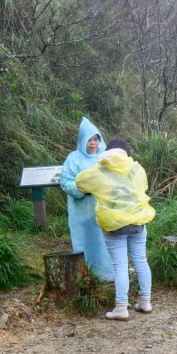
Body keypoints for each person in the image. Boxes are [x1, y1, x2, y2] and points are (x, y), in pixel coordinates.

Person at [75, 137, 155, 320]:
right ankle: (145, 302)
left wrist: (99, 166)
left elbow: (80, 183)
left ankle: (121, 307)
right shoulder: (137, 168)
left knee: (120, 266)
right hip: (138, 222)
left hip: (114, 225)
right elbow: (144, 187)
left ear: (107, 153)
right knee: (141, 261)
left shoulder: (102, 169)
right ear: (128, 154)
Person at [59, 117, 114, 281]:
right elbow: (65, 181)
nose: (93, 143)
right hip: (81, 210)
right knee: (84, 242)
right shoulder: (73, 158)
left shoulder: (105, 158)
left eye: (95, 139)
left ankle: (107, 275)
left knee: (104, 242)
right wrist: (82, 189)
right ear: (83, 140)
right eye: (89, 140)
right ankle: (85, 276)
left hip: (103, 209)